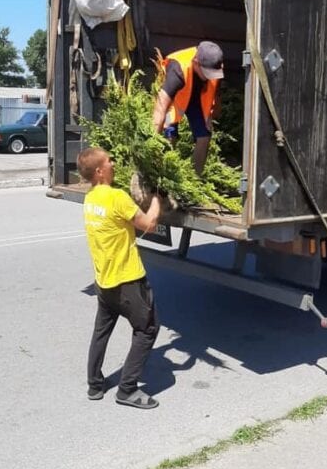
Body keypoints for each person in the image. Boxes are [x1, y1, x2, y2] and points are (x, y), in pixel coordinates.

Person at [77, 147, 161, 409]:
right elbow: (149, 224)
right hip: (128, 281)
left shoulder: (90, 199)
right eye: (109, 161)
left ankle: (94, 384)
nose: (113, 163)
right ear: (100, 171)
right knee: (148, 329)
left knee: (101, 330)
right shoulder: (117, 198)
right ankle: (127, 389)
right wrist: (158, 196)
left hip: (104, 282)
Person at [152, 41, 224, 175]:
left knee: (204, 136)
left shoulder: (214, 64)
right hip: (174, 100)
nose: (211, 76)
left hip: (197, 99)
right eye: (207, 73)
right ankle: (166, 176)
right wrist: (152, 140)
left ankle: (194, 180)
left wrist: (211, 114)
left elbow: (215, 90)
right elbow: (161, 106)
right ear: (196, 62)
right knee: (169, 135)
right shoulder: (178, 70)